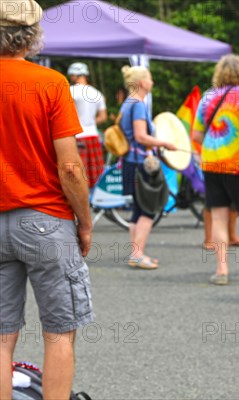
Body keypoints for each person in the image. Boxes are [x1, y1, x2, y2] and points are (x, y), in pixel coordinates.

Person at [0, 1, 94, 399]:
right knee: (58, 333)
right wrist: (85, 221)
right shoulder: (50, 83)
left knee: (2, 336)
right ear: (33, 35)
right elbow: (70, 167)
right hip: (46, 219)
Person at [192, 54, 239, 285]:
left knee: (219, 217)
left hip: (212, 163)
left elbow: (196, 134)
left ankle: (222, 270)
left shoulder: (207, 98)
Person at [119, 65, 177, 270]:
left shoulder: (127, 103)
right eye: (150, 79)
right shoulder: (139, 105)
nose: (152, 82)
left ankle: (136, 252)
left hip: (129, 162)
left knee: (137, 209)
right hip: (140, 163)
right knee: (148, 209)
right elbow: (141, 136)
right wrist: (164, 143)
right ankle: (137, 254)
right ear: (143, 82)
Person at [68, 62, 108, 188]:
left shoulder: (71, 91)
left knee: (78, 174)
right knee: (94, 173)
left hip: (77, 137)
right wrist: (89, 122)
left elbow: (68, 114)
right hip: (93, 136)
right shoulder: (97, 93)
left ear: (75, 75)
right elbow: (103, 117)